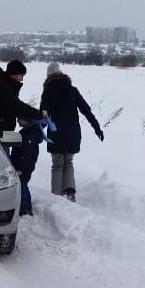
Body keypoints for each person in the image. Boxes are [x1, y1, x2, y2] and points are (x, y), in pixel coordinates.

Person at [0, 60, 45, 214]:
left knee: (10, 164)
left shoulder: (5, 85)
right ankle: (0, 204)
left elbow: (12, 107)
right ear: (14, 74)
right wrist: (38, 114)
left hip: (3, 132)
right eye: (21, 75)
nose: (22, 79)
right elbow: (15, 105)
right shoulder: (2, 86)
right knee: (3, 168)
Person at [39, 62, 103, 202]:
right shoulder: (72, 90)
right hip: (72, 133)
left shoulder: (48, 92)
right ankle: (70, 192)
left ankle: (56, 197)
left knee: (57, 165)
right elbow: (86, 110)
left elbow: (43, 115)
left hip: (56, 134)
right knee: (68, 162)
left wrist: (37, 132)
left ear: (48, 76)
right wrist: (96, 127)